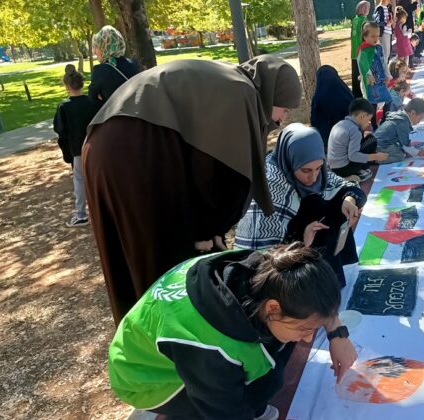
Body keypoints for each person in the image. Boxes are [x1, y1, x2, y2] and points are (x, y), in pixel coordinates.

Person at [83, 56, 302, 324]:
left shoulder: (226, 80)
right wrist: (209, 231)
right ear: (272, 94)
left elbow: (201, 157)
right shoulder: (242, 92)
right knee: (160, 261)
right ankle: (162, 342)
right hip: (133, 147)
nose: (282, 118)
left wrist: (206, 229)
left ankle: (136, 341)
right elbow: (225, 174)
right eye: (285, 109)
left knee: (126, 257)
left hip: (99, 143)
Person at [108, 243, 357, 420]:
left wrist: (337, 333)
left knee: (273, 360)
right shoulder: (206, 346)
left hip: (165, 345)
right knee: (265, 381)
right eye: (306, 328)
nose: (308, 337)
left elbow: (313, 299)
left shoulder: (270, 269)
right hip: (144, 378)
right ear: (272, 308)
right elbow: (223, 412)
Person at [235, 124, 366, 287]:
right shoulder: (270, 186)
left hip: (307, 245)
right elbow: (260, 259)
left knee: (332, 203)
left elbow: (346, 187)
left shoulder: (315, 169)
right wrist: (301, 240)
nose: (314, 177)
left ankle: (333, 278)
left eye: (318, 168)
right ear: (291, 160)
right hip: (283, 265)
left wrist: (349, 200)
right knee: (315, 205)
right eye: (306, 170)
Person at [53, 65, 96, 228]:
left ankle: (81, 214)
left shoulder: (64, 107)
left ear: (67, 86)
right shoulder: (92, 102)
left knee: (79, 180)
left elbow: (59, 129)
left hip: (78, 148)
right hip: (95, 146)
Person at [328, 98, 388, 181]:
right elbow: (353, 156)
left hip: (334, 168)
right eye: (368, 119)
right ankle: (356, 173)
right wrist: (375, 156)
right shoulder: (354, 130)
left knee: (367, 140)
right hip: (344, 169)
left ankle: (349, 175)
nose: (369, 122)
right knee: (371, 139)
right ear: (362, 116)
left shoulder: (341, 124)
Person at [88, 25, 140, 108]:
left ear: (104, 47)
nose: (94, 52)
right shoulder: (134, 64)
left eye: (96, 47)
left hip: (117, 117)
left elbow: (92, 99)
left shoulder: (100, 71)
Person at [357, 22, 392, 129]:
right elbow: (362, 66)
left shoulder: (378, 48)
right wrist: (368, 76)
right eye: (373, 36)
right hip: (371, 82)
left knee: (389, 100)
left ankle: (385, 120)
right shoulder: (363, 51)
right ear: (365, 36)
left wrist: (387, 75)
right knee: (372, 103)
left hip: (380, 79)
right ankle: (373, 124)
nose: (376, 38)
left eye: (377, 35)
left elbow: (383, 62)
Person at [310, 65, 354, 150]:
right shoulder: (346, 92)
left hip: (328, 141)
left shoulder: (319, 97)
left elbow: (314, 121)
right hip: (350, 137)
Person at [374, 98, 424, 164]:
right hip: (379, 147)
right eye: (419, 118)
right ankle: (376, 159)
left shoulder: (402, 117)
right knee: (400, 155)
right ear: (413, 113)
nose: (419, 122)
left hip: (380, 143)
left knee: (406, 150)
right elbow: (405, 145)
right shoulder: (402, 122)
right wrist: (418, 152)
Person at [350, 1, 371, 98]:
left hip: (354, 52)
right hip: (362, 52)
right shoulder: (364, 20)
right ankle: (363, 95)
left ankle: (356, 95)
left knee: (355, 75)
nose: (369, 10)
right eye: (367, 8)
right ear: (364, 9)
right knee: (362, 75)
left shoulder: (354, 20)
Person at [374, 0, 393, 71]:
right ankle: (384, 72)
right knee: (384, 53)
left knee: (386, 53)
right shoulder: (380, 8)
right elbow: (377, 21)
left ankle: (385, 71)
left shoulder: (386, 8)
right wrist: (386, 23)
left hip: (387, 32)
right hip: (384, 32)